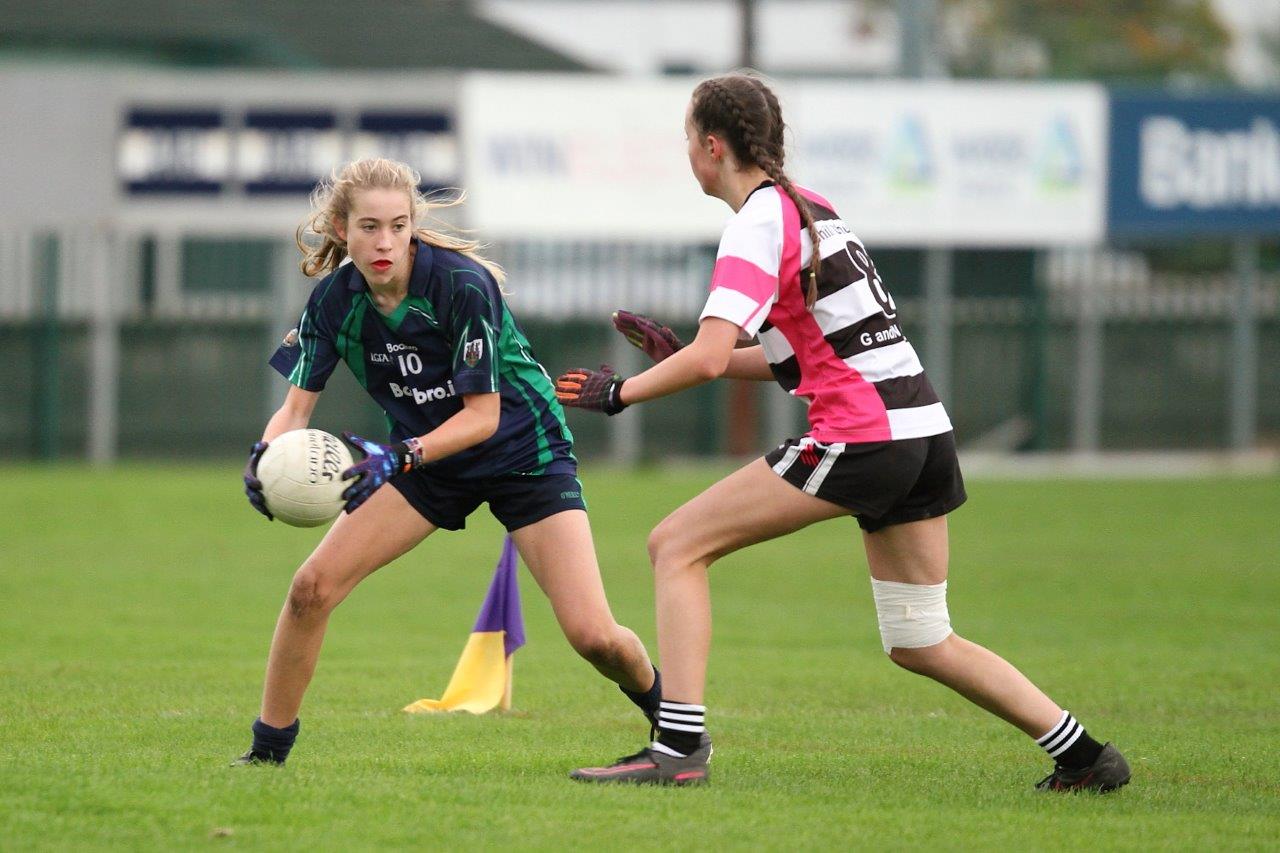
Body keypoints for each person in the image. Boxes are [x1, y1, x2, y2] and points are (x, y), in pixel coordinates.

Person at [554, 73, 1130, 792]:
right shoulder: (815, 210)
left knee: (675, 544)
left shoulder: (755, 223)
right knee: (921, 638)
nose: (688, 156)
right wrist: (681, 357)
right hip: (922, 432)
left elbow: (711, 357)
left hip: (865, 435)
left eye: (687, 141)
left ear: (711, 146)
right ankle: (1085, 756)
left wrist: (619, 393)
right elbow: (794, 360)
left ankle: (677, 749)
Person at [234, 157, 661, 765]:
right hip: (423, 461)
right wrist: (266, 457)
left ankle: (673, 722)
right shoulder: (333, 301)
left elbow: (482, 417)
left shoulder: (459, 285)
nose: (385, 242)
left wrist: (400, 454)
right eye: (370, 227)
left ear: (413, 228)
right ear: (340, 227)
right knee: (310, 589)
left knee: (593, 636)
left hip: (522, 452)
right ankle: (266, 756)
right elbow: (294, 410)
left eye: (398, 226)